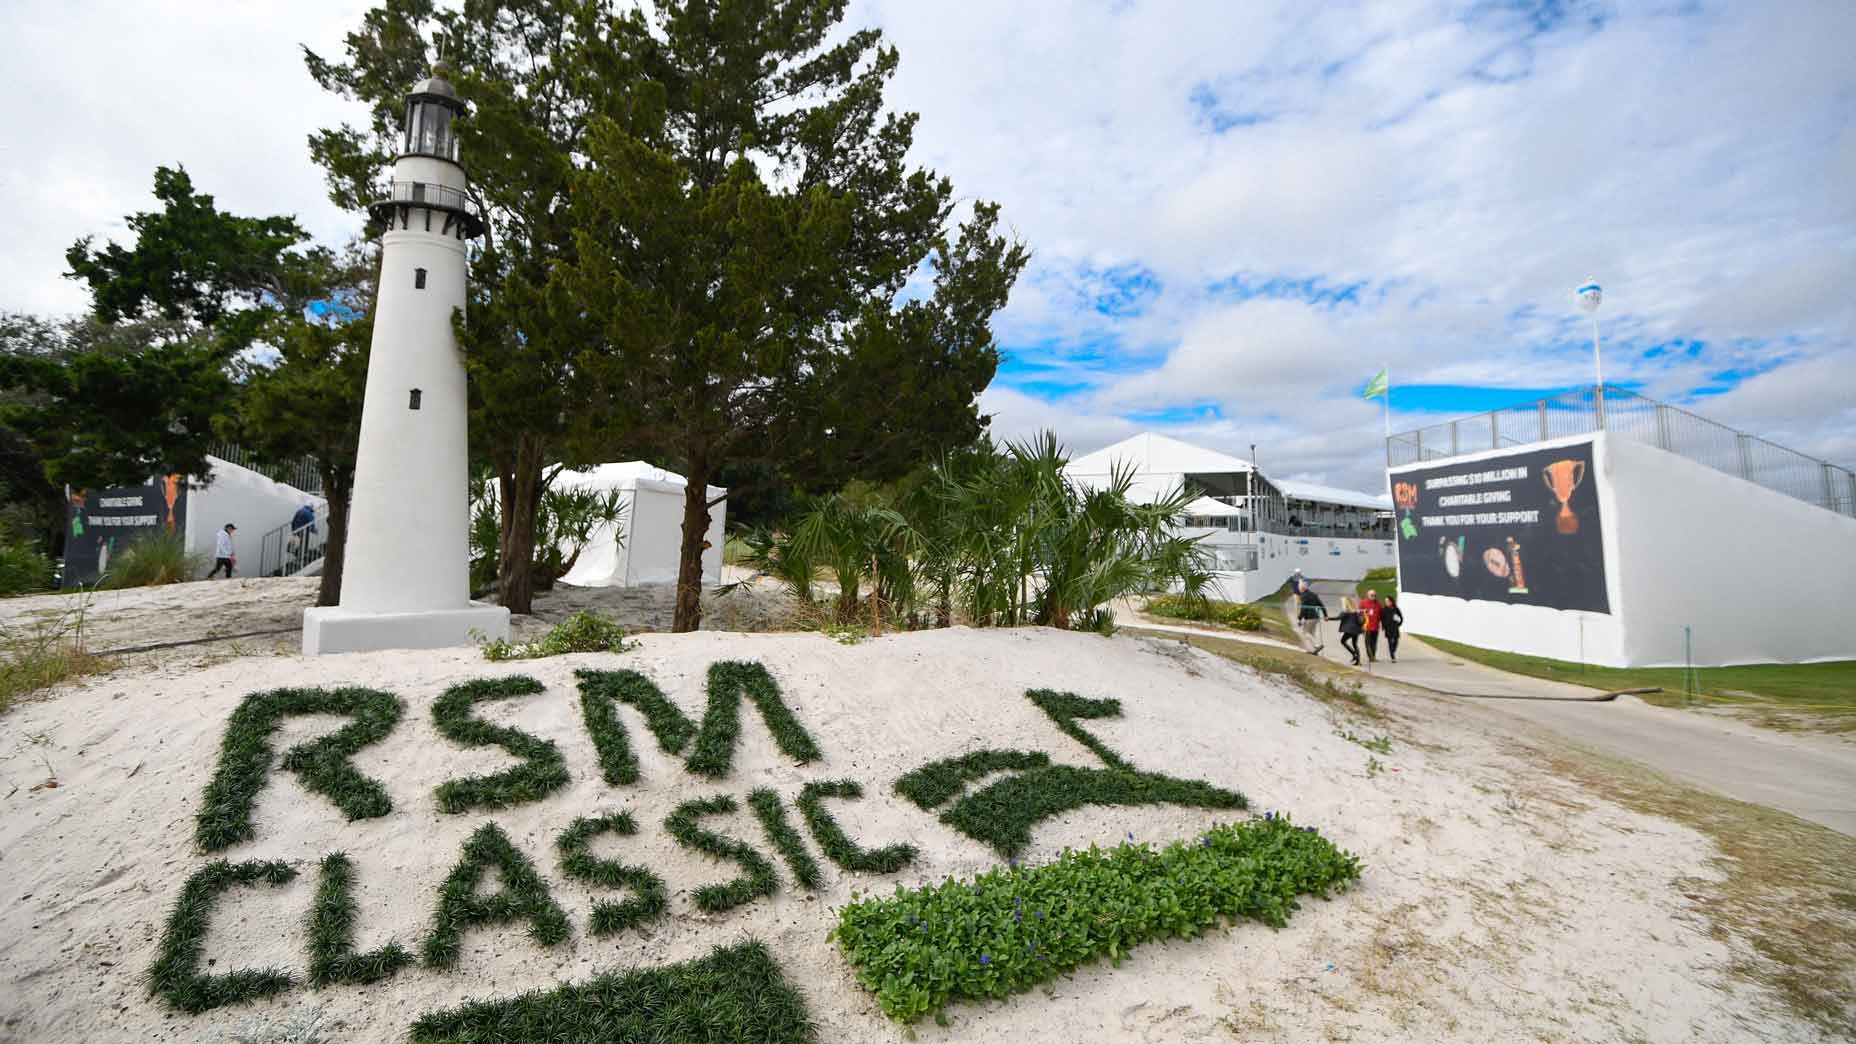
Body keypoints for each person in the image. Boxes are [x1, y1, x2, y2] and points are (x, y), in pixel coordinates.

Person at [1296, 584, 1326, 654]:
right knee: (1311, 634)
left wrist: (1300, 618)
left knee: (1306, 633)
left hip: (1310, 618)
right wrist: (1325, 615)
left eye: (1299, 588)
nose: (1299, 590)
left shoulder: (1303, 596)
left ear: (1302, 589)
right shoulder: (1313, 595)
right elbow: (1321, 605)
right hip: (1315, 617)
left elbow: (1303, 608)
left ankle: (1316, 645)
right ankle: (1313, 650)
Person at [1335, 596, 1363, 666]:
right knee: (1354, 644)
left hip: (1350, 630)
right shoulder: (1355, 610)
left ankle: (1355, 654)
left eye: (1342, 602)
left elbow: (1338, 618)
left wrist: (1328, 618)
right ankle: (1358, 660)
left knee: (1343, 641)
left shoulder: (1345, 611)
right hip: (1357, 630)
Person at [1360, 588, 1383, 663]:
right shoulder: (1363, 602)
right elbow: (1358, 613)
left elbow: (1381, 615)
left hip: (1375, 627)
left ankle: (1373, 656)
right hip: (1367, 627)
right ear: (1368, 595)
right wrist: (1363, 611)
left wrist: (1382, 624)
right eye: (1372, 595)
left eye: (1375, 595)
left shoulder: (1378, 604)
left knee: (1374, 643)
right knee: (1368, 643)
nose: (1374, 597)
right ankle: (1371, 657)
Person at [1382, 595, 1404, 662]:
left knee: (1396, 641)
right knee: (1390, 642)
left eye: (1388, 601)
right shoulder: (1384, 609)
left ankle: (1393, 651)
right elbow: (1382, 619)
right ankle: (1392, 656)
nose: (1387, 602)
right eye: (1386, 601)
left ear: (1391, 601)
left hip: (1395, 628)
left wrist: (1399, 624)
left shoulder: (1396, 609)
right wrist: (1384, 626)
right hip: (1388, 628)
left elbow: (1401, 617)